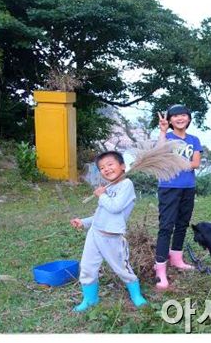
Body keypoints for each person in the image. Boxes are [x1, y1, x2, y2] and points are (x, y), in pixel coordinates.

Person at [70, 151, 147, 312]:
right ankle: (90, 299)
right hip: (95, 233)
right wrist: (83, 222)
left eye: (110, 164)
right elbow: (101, 214)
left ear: (122, 166)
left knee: (122, 268)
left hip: (112, 237)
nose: (106, 169)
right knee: (87, 267)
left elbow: (115, 207)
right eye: (102, 167)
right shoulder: (108, 187)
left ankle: (136, 295)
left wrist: (102, 195)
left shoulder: (127, 185)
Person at [154, 104, 202, 290]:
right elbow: (159, 155)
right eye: (176, 116)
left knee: (182, 224)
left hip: (188, 187)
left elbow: (196, 163)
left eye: (184, 115)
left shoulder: (194, 140)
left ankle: (176, 259)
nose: (180, 118)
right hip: (168, 188)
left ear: (189, 118)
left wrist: (173, 163)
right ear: (170, 120)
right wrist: (163, 132)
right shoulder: (167, 138)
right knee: (166, 227)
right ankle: (160, 270)